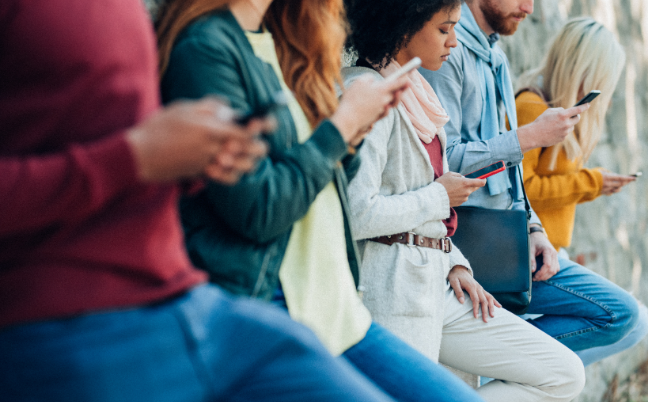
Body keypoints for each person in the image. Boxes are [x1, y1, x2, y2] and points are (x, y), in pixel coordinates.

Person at [0, 1, 408, 401]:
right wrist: (135, 158)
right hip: (71, 320)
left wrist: (194, 161)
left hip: (190, 300)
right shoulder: (205, 43)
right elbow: (136, 160)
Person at [157, 0, 488, 401]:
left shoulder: (280, 44)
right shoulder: (207, 47)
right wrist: (343, 126)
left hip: (339, 308)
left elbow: (326, 190)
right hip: (283, 310)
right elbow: (261, 211)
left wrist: (351, 134)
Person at [343, 0, 585, 400]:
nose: (454, 41)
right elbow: (356, 212)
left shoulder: (417, 96)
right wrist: (439, 197)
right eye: (443, 29)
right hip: (393, 290)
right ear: (402, 26)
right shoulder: (366, 95)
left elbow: (422, 204)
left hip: (438, 280)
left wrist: (454, 261)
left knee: (563, 373)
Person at [420, 0, 642, 366]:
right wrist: (529, 137)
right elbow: (442, 162)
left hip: (512, 240)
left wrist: (534, 226)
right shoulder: (449, 52)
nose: (529, 7)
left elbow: (511, 175)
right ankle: (507, 364)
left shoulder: (497, 59)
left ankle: (509, 364)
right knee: (619, 314)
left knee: (627, 315)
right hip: (473, 245)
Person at [515, 17, 648, 366]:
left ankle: (522, 367)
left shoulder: (561, 112)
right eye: (599, 78)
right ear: (580, 68)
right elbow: (524, 187)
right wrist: (591, 183)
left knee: (637, 321)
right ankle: (503, 363)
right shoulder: (532, 106)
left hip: (547, 253)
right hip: (523, 255)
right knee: (624, 316)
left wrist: (595, 182)